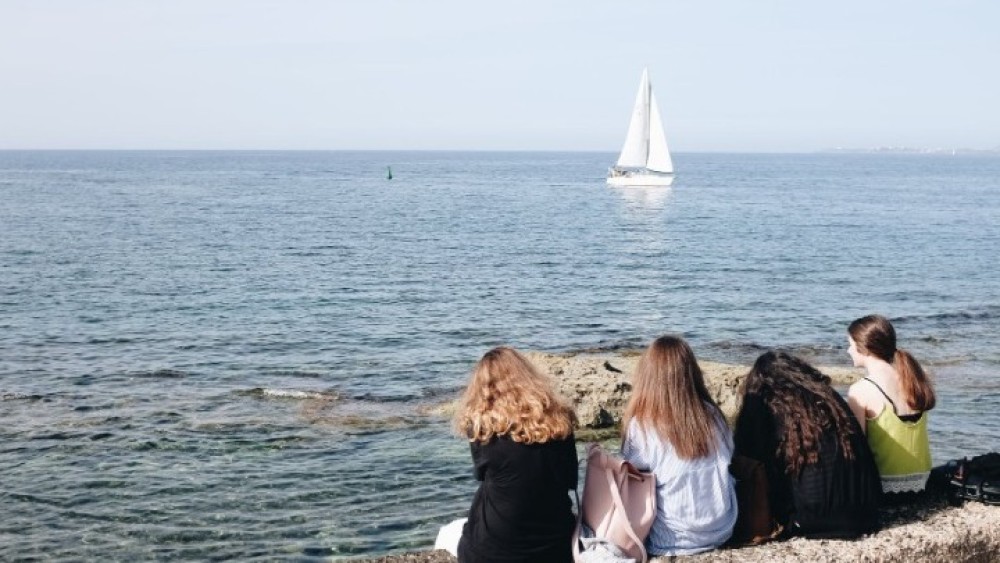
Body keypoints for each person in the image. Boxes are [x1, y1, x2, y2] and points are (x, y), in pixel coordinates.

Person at [444, 346, 578, 563]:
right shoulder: (561, 420)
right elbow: (570, 480)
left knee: (450, 532)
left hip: (491, 551)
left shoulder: (482, 429)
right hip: (554, 546)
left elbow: (481, 476)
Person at [733, 351, 881, 539]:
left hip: (811, 520)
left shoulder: (767, 404)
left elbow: (749, 460)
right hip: (864, 512)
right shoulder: (829, 399)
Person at [620, 336, 737, 555]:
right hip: (721, 528)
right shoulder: (713, 415)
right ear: (692, 373)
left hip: (673, 539)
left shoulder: (643, 424)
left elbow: (632, 472)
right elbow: (729, 455)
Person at [847, 314, 936, 494]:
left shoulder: (861, 389)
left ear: (864, 348)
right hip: (923, 481)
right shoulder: (913, 378)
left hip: (885, 486)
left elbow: (858, 445)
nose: (848, 351)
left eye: (850, 345)